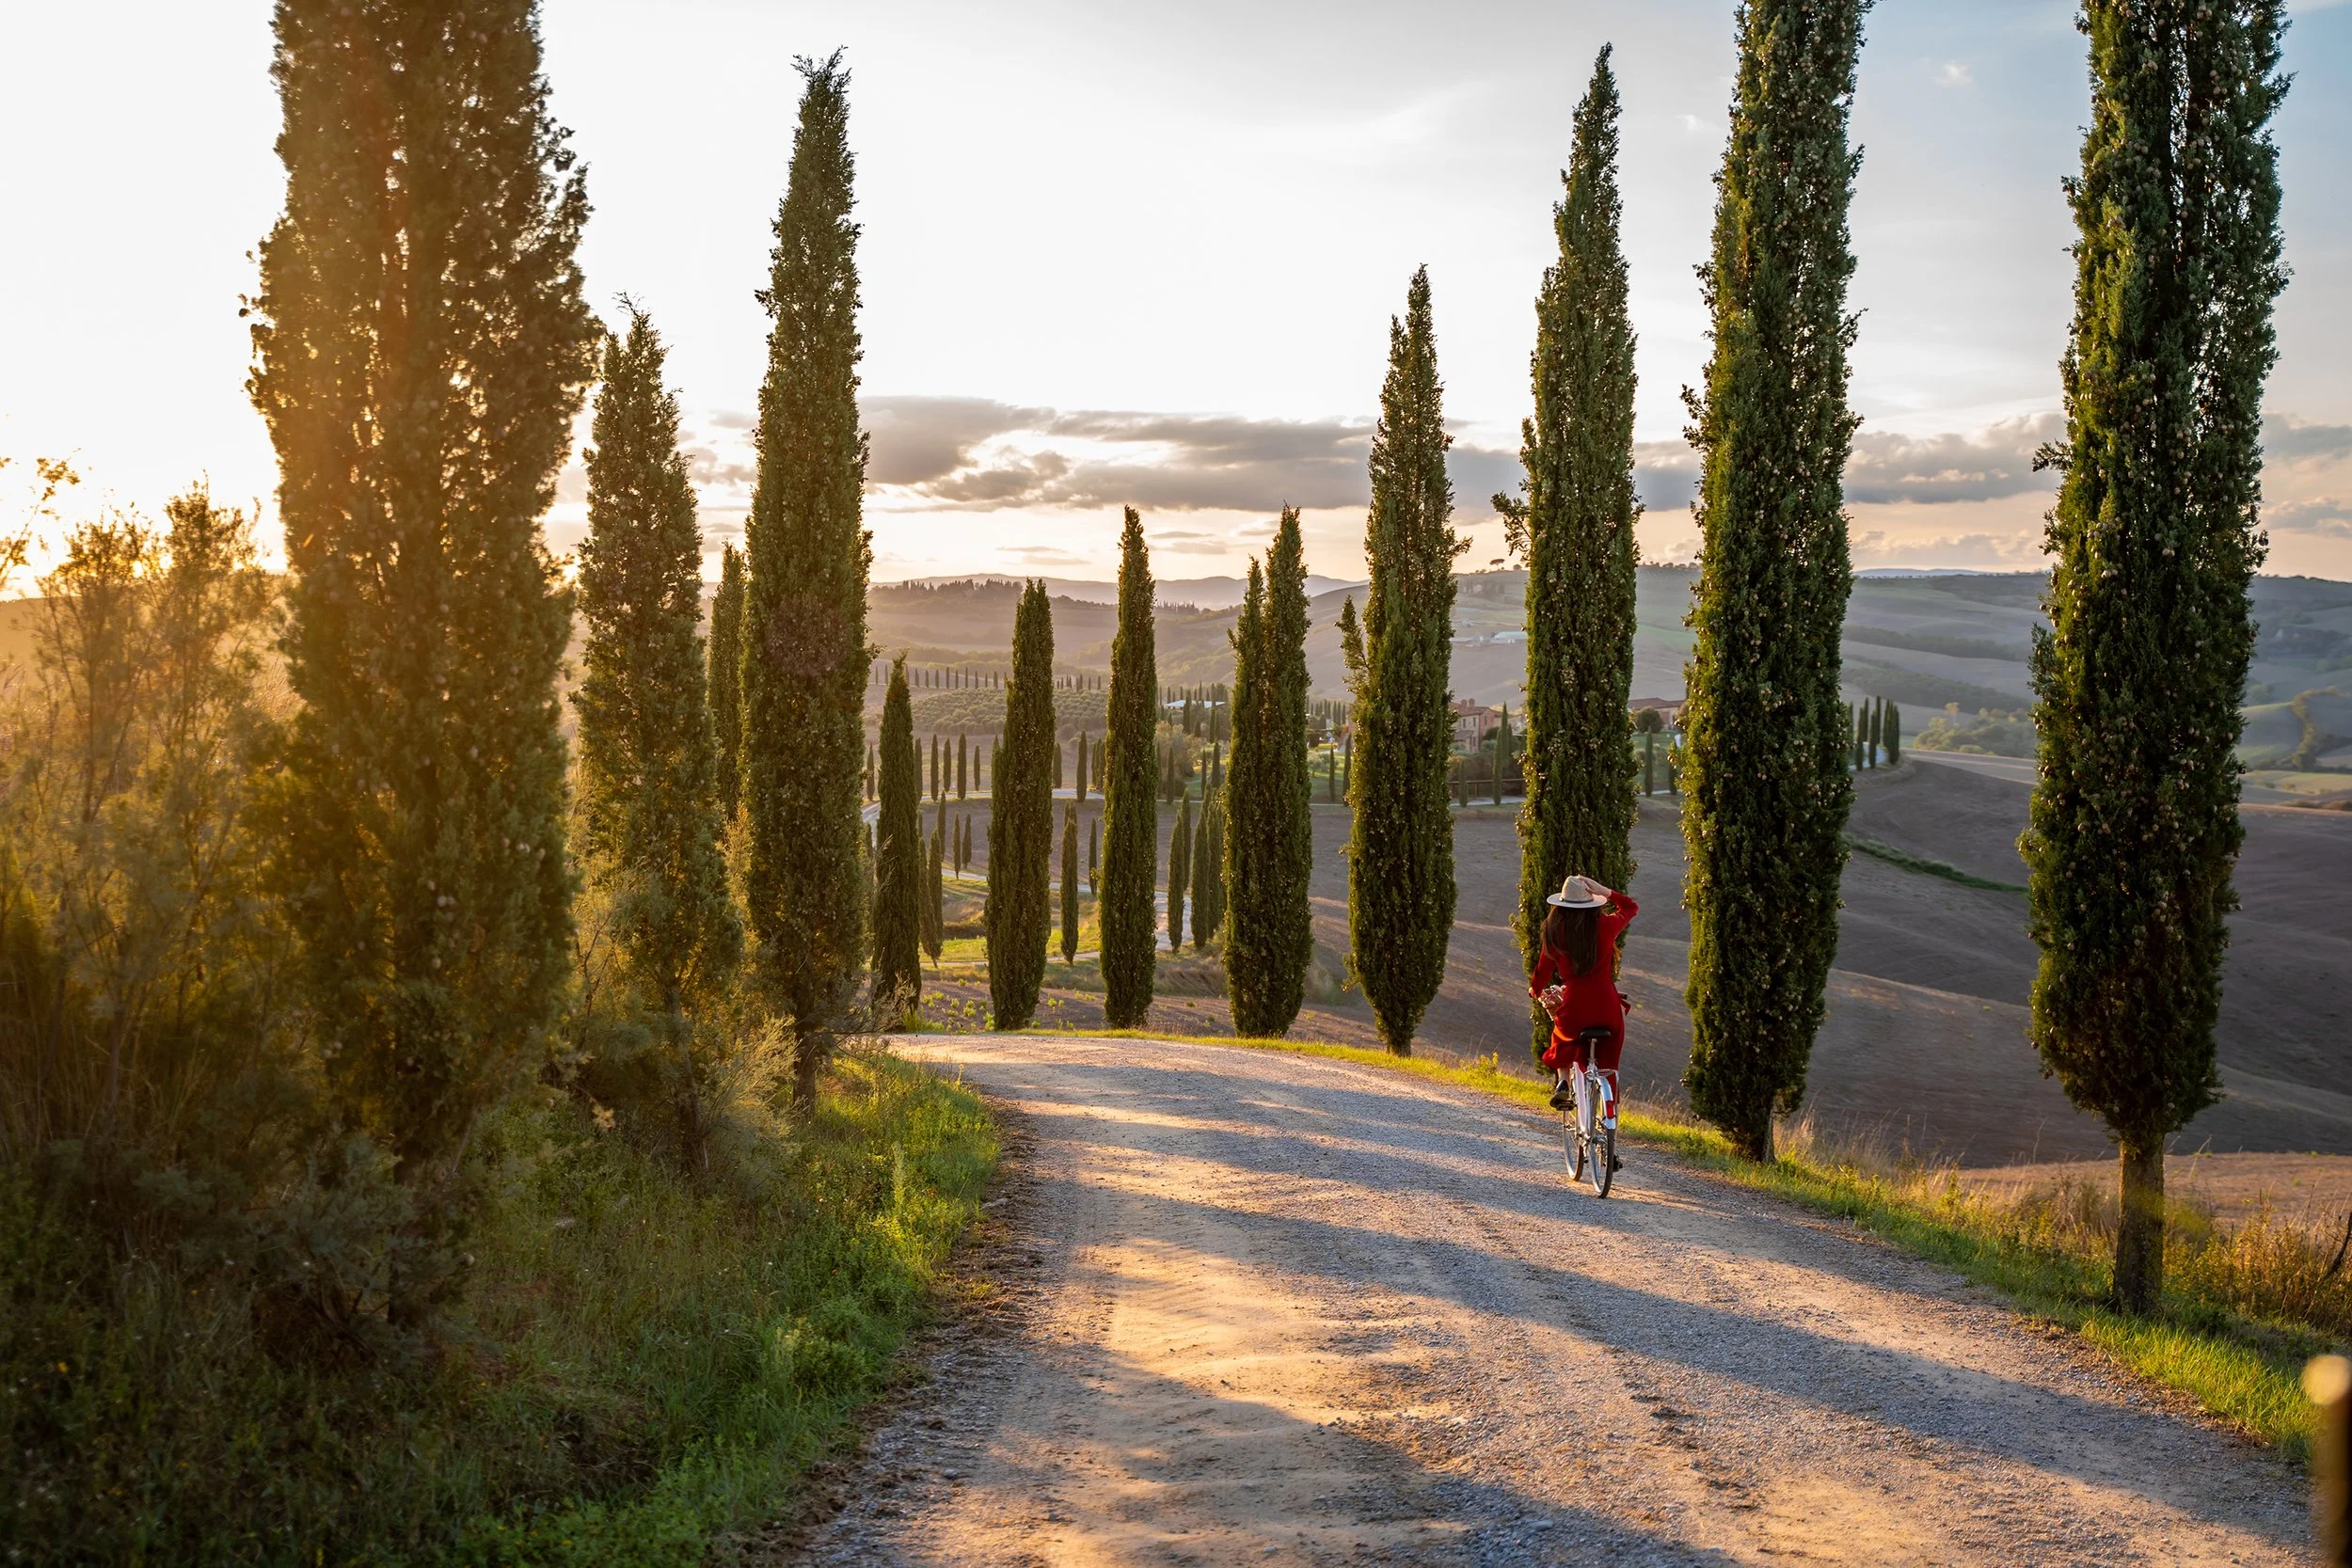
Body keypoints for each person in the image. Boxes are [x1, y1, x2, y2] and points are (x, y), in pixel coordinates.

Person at [1529, 873, 1638, 1148]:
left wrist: (1537, 989)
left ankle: (1564, 1081)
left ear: (1561, 906)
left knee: (1563, 1038)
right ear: (1592, 905)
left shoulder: (1555, 933)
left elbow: (1542, 971)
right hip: (1607, 1007)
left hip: (1575, 1006)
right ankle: (1610, 1130)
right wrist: (1606, 891)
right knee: (1608, 1069)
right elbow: (1631, 907)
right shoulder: (1606, 927)